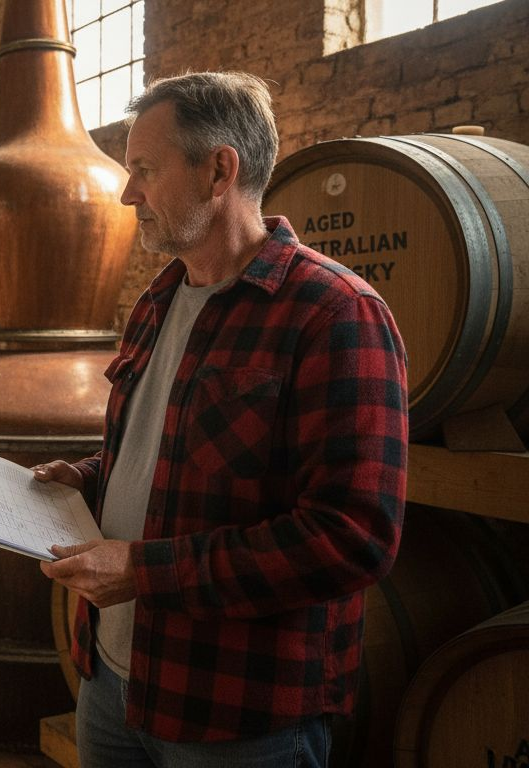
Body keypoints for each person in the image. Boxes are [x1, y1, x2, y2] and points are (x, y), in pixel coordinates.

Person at [35, 71, 409, 767]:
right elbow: (168, 449)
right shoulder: (158, 300)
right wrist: (88, 477)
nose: (127, 194)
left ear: (218, 170)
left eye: (143, 170)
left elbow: (354, 535)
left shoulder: (333, 313)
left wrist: (148, 573)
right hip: (112, 680)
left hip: (238, 712)